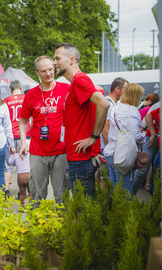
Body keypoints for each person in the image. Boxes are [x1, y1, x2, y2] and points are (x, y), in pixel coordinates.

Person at [53, 43, 109, 196]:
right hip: (79, 155)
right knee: (85, 207)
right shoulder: (76, 82)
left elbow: (104, 104)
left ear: (71, 60)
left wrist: (93, 137)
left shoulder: (79, 80)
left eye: (57, 58)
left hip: (81, 157)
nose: (54, 63)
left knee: (82, 208)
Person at [19, 55, 70, 204]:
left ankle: (62, 226)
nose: (48, 73)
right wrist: (23, 142)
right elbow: (23, 121)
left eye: (50, 69)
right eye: (43, 71)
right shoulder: (31, 95)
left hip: (61, 151)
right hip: (37, 151)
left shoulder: (66, 89)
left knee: (62, 196)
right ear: (36, 73)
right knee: (37, 196)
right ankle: (38, 226)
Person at [103, 83, 145, 193]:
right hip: (123, 156)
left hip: (111, 153)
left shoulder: (115, 108)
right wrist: (144, 136)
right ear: (135, 96)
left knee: (114, 191)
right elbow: (136, 136)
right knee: (125, 193)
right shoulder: (132, 111)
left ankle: (113, 210)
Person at [3, 80, 31, 197]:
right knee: (24, 164)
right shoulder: (27, 98)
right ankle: (22, 191)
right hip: (25, 134)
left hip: (10, 136)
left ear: (10, 89)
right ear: (20, 88)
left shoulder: (6, 101)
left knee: (7, 165)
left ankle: (7, 190)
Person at [101, 77, 129, 148]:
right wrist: (110, 150)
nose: (127, 92)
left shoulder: (113, 104)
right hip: (105, 148)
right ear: (117, 89)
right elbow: (105, 132)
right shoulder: (109, 105)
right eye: (125, 89)